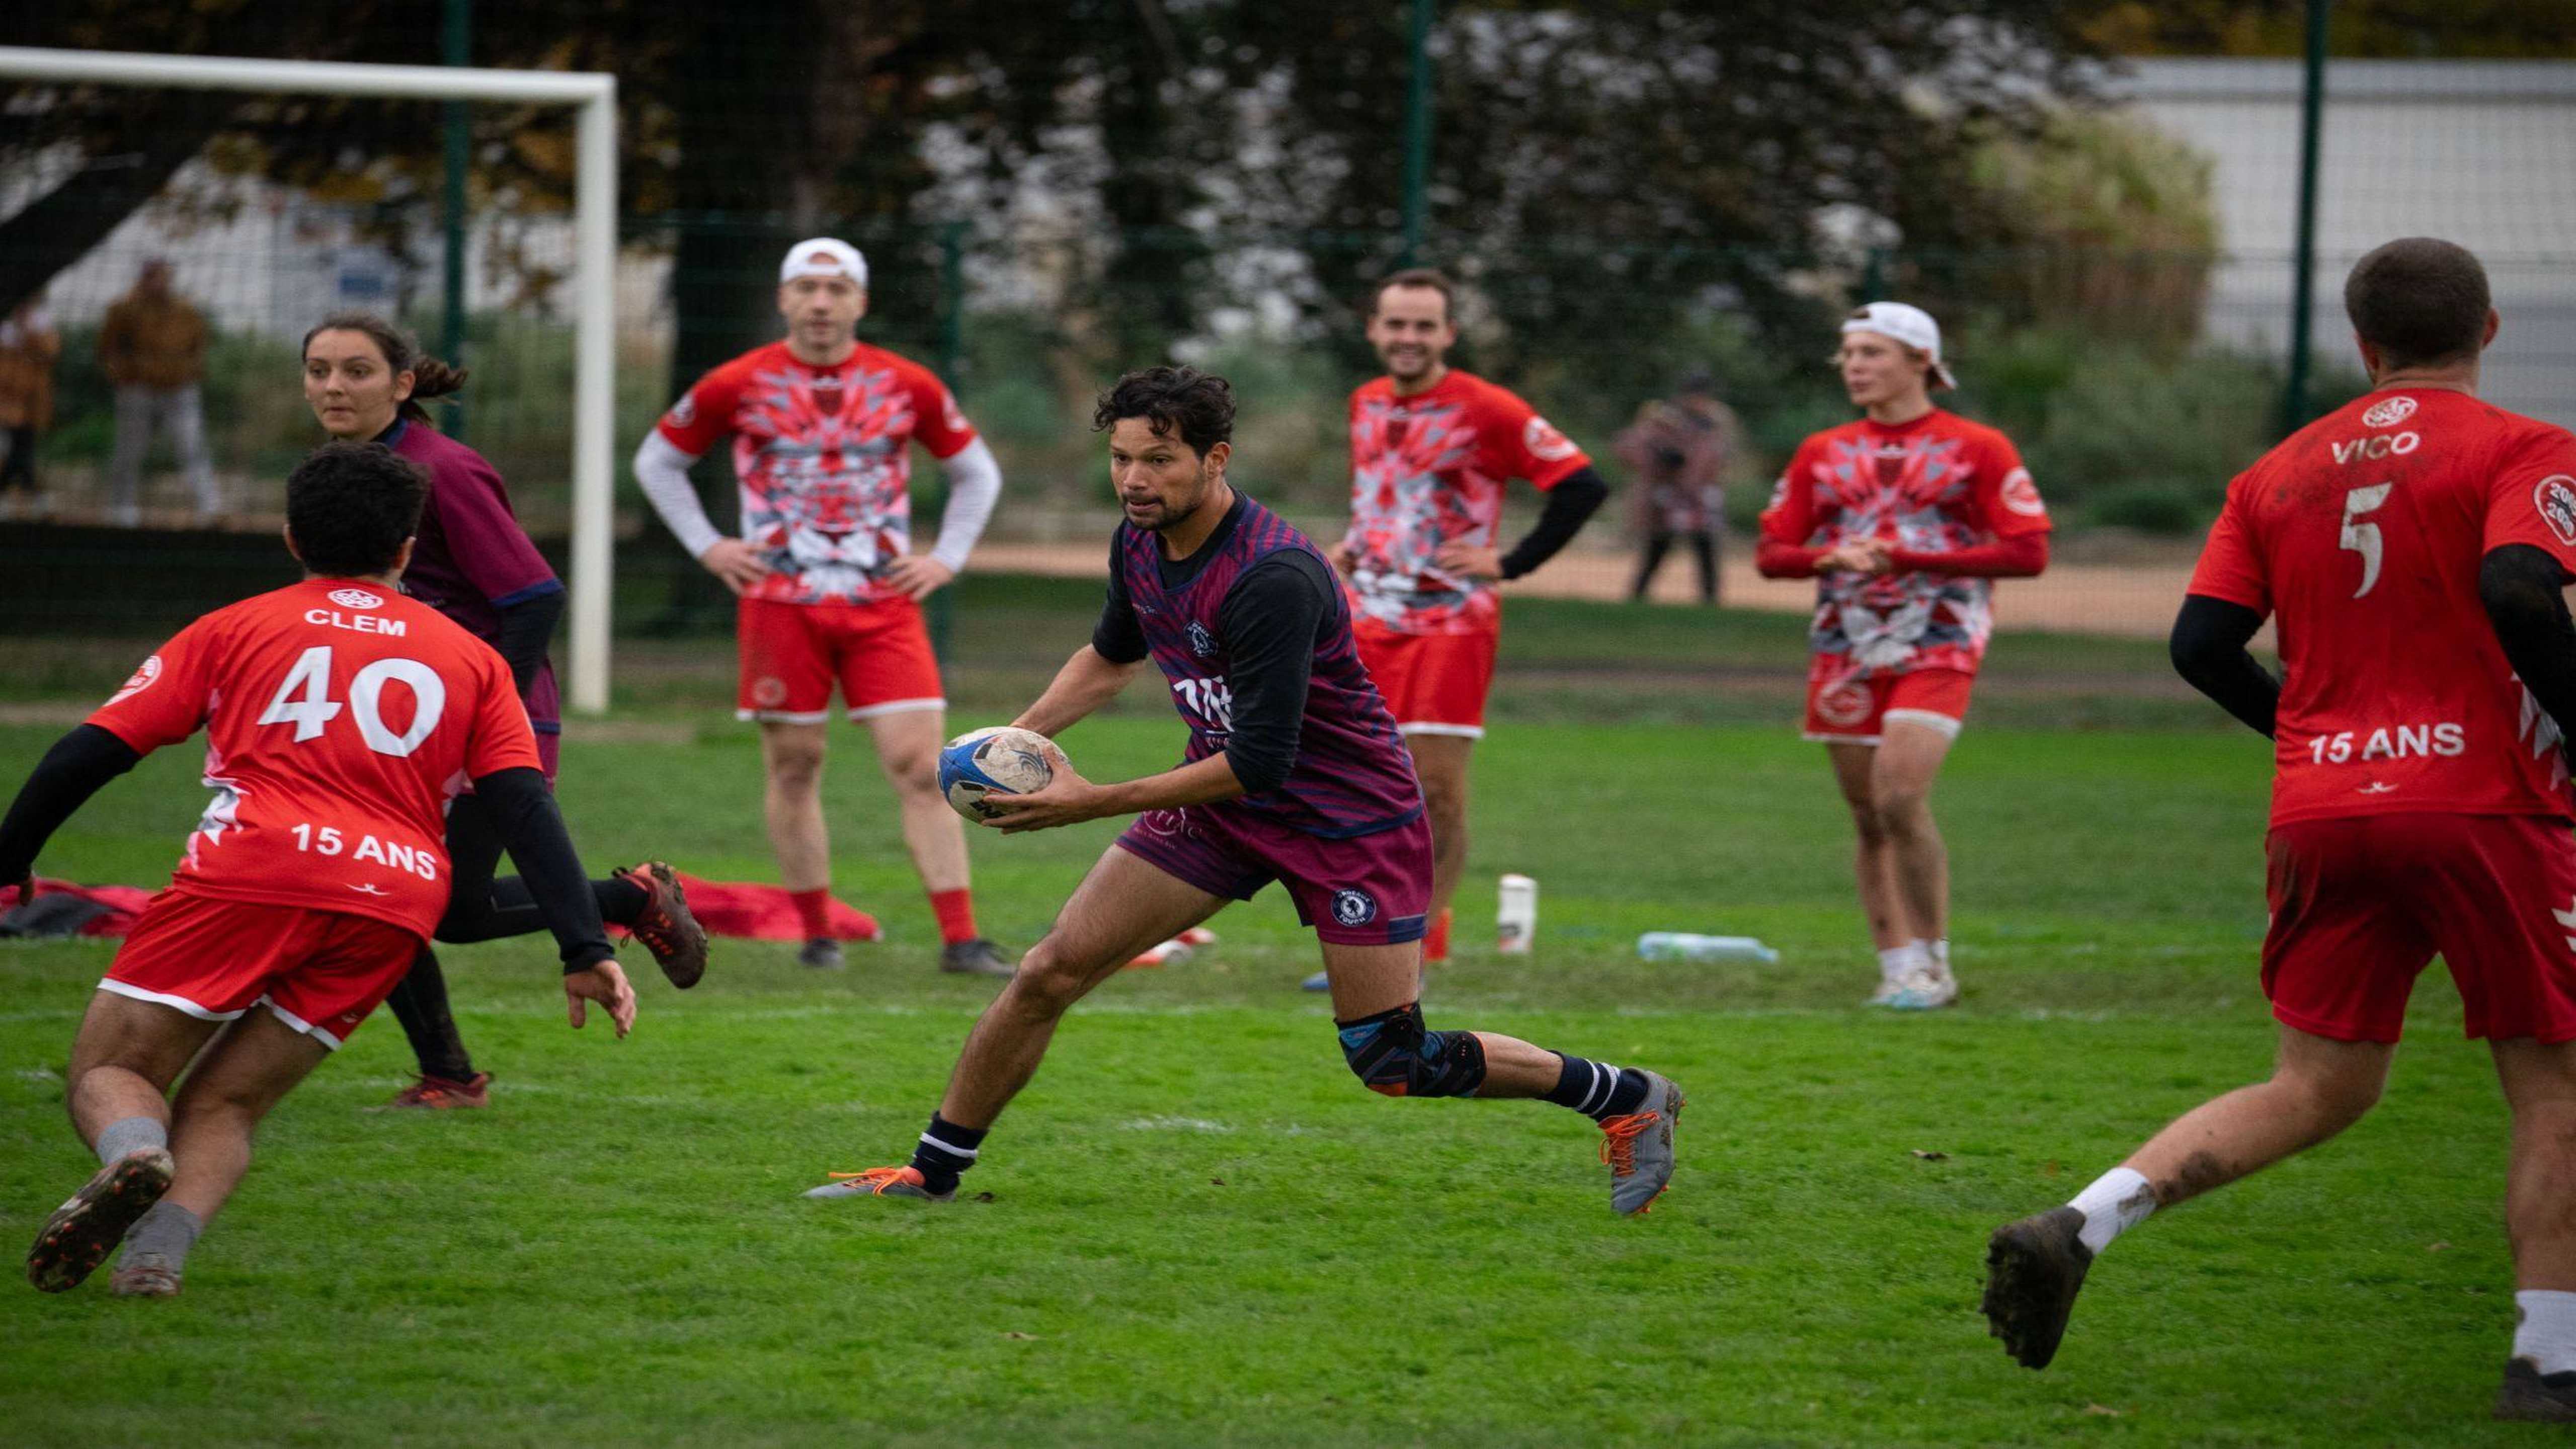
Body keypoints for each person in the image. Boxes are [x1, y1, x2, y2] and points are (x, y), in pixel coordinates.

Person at [800, 367, 1684, 1215]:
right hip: (1225, 812)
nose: (1135, 481)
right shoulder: (1140, 537)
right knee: (1048, 970)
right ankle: (931, 1173)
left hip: (1349, 821)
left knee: (1390, 1057)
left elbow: (1262, 760)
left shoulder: (1275, 577)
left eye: (1159, 460)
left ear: (1216, 460)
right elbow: (1111, 658)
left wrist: (1088, 798)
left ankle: (1626, 1095)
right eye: (1122, 458)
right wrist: (1018, 744)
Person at [1983, 238, 2576, 1423]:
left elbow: (2199, 647)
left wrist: (2312, 734)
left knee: (2317, 1082)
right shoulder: (2527, 448)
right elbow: (2519, 582)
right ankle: (2549, 1361)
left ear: (2361, 343)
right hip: (2485, 803)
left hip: (2321, 807)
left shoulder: (2277, 471)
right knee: (2553, 1089)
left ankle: (2080, 1221)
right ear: (2489, 328)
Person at [3, 441, 639, 1299]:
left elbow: (95, 751)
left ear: (291, 536)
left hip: (252, 871)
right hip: (395, 901)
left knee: (113, 1073)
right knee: (228, 1104)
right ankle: (154, 1263)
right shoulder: (474, 659)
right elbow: (526, 805)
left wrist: (12, 856)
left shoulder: (234, 627)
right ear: (409, 548)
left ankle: (135, 1156)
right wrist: (583, 944)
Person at [303, 314, 707, 1110]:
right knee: (376, 888)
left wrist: (490, 703)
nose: (333, 387)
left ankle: (631, 903)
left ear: (403, 383)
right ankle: (450, 1076)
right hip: (399, 720)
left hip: (488, 717)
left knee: (444, 908)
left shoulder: (443, 471)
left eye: (355, 371)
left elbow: (533, 597)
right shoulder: (344, 472)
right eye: (319, 371)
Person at [633, 237, 1009, 976]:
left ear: (860, 302)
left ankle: (962, 940)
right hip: (780, 604)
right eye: (806, 287)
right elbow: (658, 460)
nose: (821, 302)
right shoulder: (739, 381)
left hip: (883, 602)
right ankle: (817, 935)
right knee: (797, 764)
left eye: (837, 289)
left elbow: (977, 473)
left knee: (918, 766)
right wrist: (710, 546)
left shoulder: (906, 383)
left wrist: (947, 559)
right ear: (783, 298)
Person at [1755, 302, 2050, 1010]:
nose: (1855, 365)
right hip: (1845, 646)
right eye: (1849, 353)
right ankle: (1896, 965)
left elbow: (2028, 551)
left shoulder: (1979, 447)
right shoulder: (1821, 450)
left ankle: (1935, 963)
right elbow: (1773, 553)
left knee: (1901, 794)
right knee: (1867, 814)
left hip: (1940, 638)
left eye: (1873, 352)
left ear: (1923, 361)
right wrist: (1828, 556)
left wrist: (1909, 556)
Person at [1321, 269, 1608, 985]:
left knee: (1435, 790)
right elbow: (1388, 494)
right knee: (1357, 782)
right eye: (1396, 324)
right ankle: (1366, 934)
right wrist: (1356, 544)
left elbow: (1582, 485)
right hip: (1367, 616)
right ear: (1374, 330)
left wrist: (1509, 561)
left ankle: (1412, 951)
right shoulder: (1365, 402)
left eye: (1424, 326)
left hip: (1451, 621)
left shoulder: (1486, 407)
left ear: (1449, 334)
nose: (1408, 338)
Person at [98, 259, 219, 526]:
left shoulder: (186, 311)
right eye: (153, 277)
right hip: (138, 388)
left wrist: (190, 371)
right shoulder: (124, 310)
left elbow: (199, 347)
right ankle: (121, 511)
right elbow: (108, 349)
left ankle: (209, 509)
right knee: (129, 450)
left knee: (192, 446)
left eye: (163, 277)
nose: (159, 283)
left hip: (179, 389)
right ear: (143, 279)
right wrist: (123, 376)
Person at [1617, 371, 1740, 604]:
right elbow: (1633, 449)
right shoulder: (1664, 417)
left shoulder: (1717, 419)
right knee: (1658, 546)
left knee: (1704, 545)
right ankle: (1639, 594)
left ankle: (1710, 599)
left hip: (1700, 494)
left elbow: (1721, 456)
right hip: (1669, 490)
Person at [0, 296, 60, 517]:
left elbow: (50, 353)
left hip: (30, 405)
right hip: (4, 402)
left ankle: (34, 500)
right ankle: (38, 501)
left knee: (20, 452)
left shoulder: (42, 325)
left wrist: (28, 331)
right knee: (13, 453)